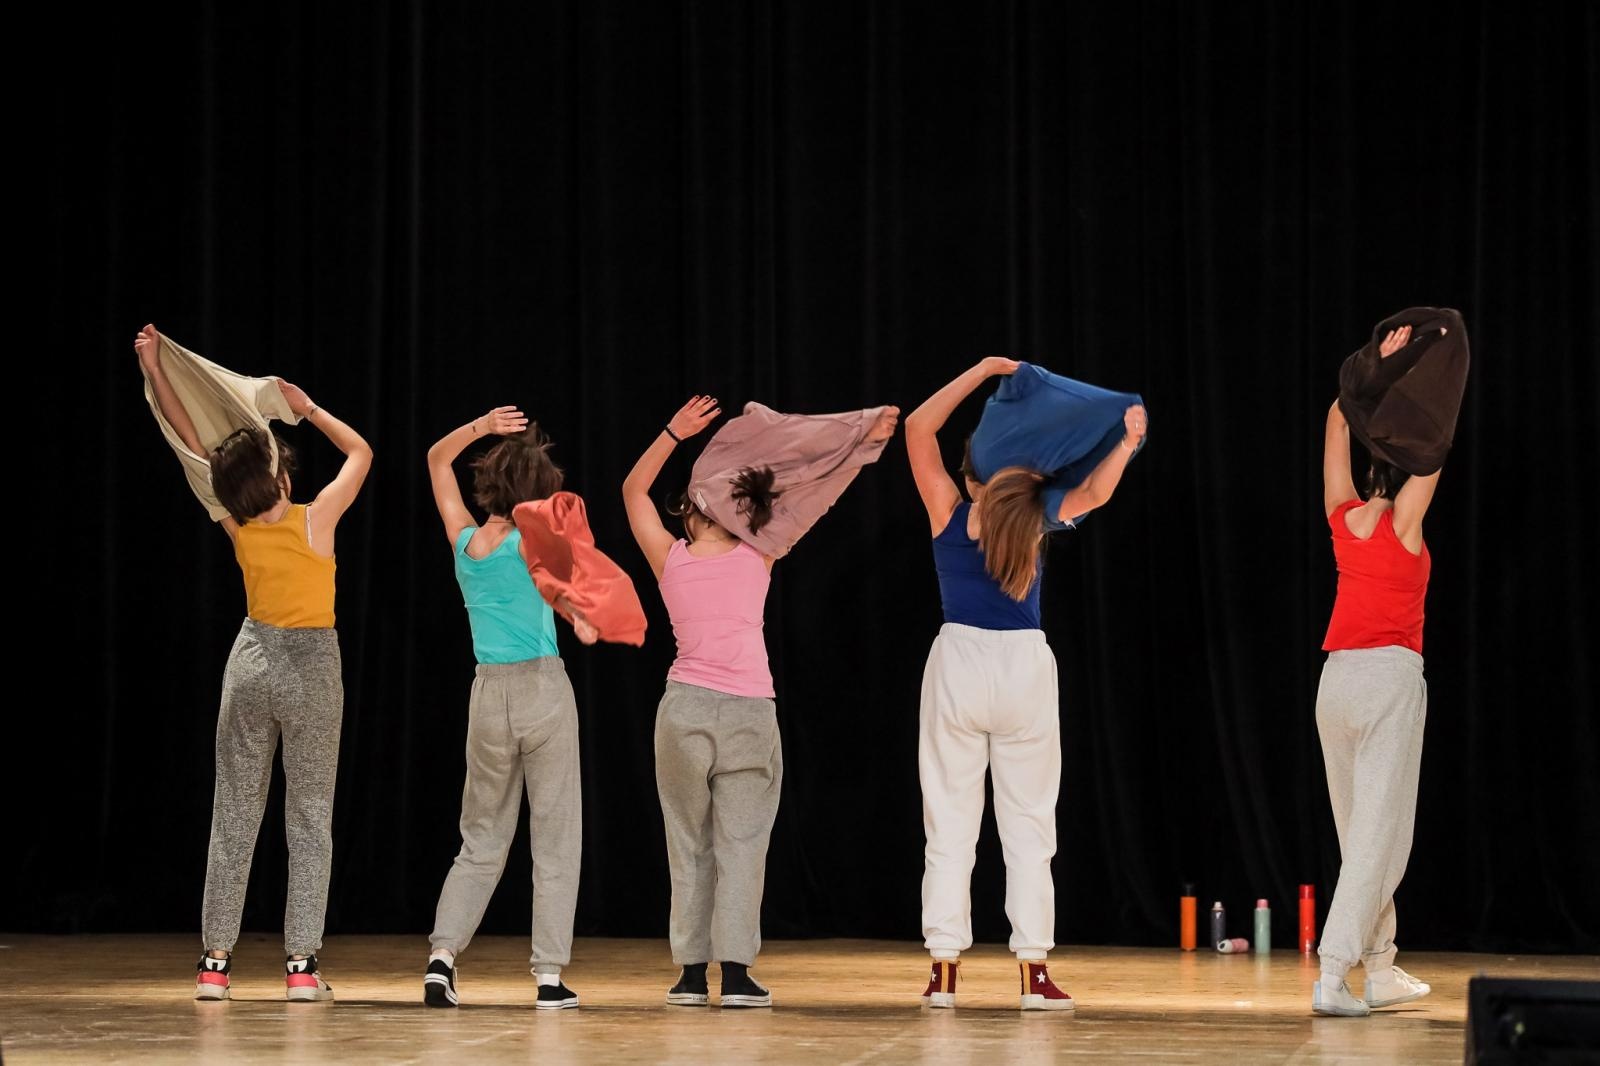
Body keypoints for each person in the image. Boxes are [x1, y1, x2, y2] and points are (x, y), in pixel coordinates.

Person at [622, 395, 898, 1009]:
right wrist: (860, 439)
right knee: (743, 844)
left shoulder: (670, 558)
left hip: (685, 708)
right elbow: (814, 490)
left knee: (688, 843)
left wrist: (672, 431)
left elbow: (632, 491)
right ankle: (738, 975)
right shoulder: (760, 552)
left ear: (692, 511)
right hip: (748, 709)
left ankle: (691, 975)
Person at [134, 323, 372, 1003]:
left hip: (252, 658)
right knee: (310, 815)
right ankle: (300, 968)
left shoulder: (232, 521)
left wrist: (156, 370)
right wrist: (307, 408)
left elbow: (193, 441)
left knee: (235, 812)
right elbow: (361, 451)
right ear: (279, 474)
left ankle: (215, 964)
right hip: (311, 669)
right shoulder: (314, 520)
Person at [904, 357, 1146, 1011]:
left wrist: (980, 372)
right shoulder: (1031, 513)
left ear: (968, 471)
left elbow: (917, 429)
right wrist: (1125, 441)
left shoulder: (948, 512)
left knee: (949, 822)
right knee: (1030, 821)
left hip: (957, 662)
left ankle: (943, 973)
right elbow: (1095, 494)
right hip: (1022, 668)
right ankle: (1033, 972)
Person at [422, 407, 599, 1011]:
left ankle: (442, 959)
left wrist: (481, 427)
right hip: (543, 691)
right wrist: (580, 620)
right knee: (555, 838)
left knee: (480, 839)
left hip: (487, 695)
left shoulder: (466, 543)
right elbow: (575, 604)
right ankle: (549, 976)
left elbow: (435, 460)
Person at [1312, 324, 1440, 1017]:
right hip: (1388, 679)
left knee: (1360, 832)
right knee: (1380, 841)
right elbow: (1435, 448)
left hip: (1335, 684)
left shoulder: (1343, 516)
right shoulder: (1405, 527)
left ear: (1368, 474)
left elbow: (1337, 417)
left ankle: (1381, 966)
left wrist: (1375, 367)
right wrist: (1434, 365)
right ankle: (1333, 974)